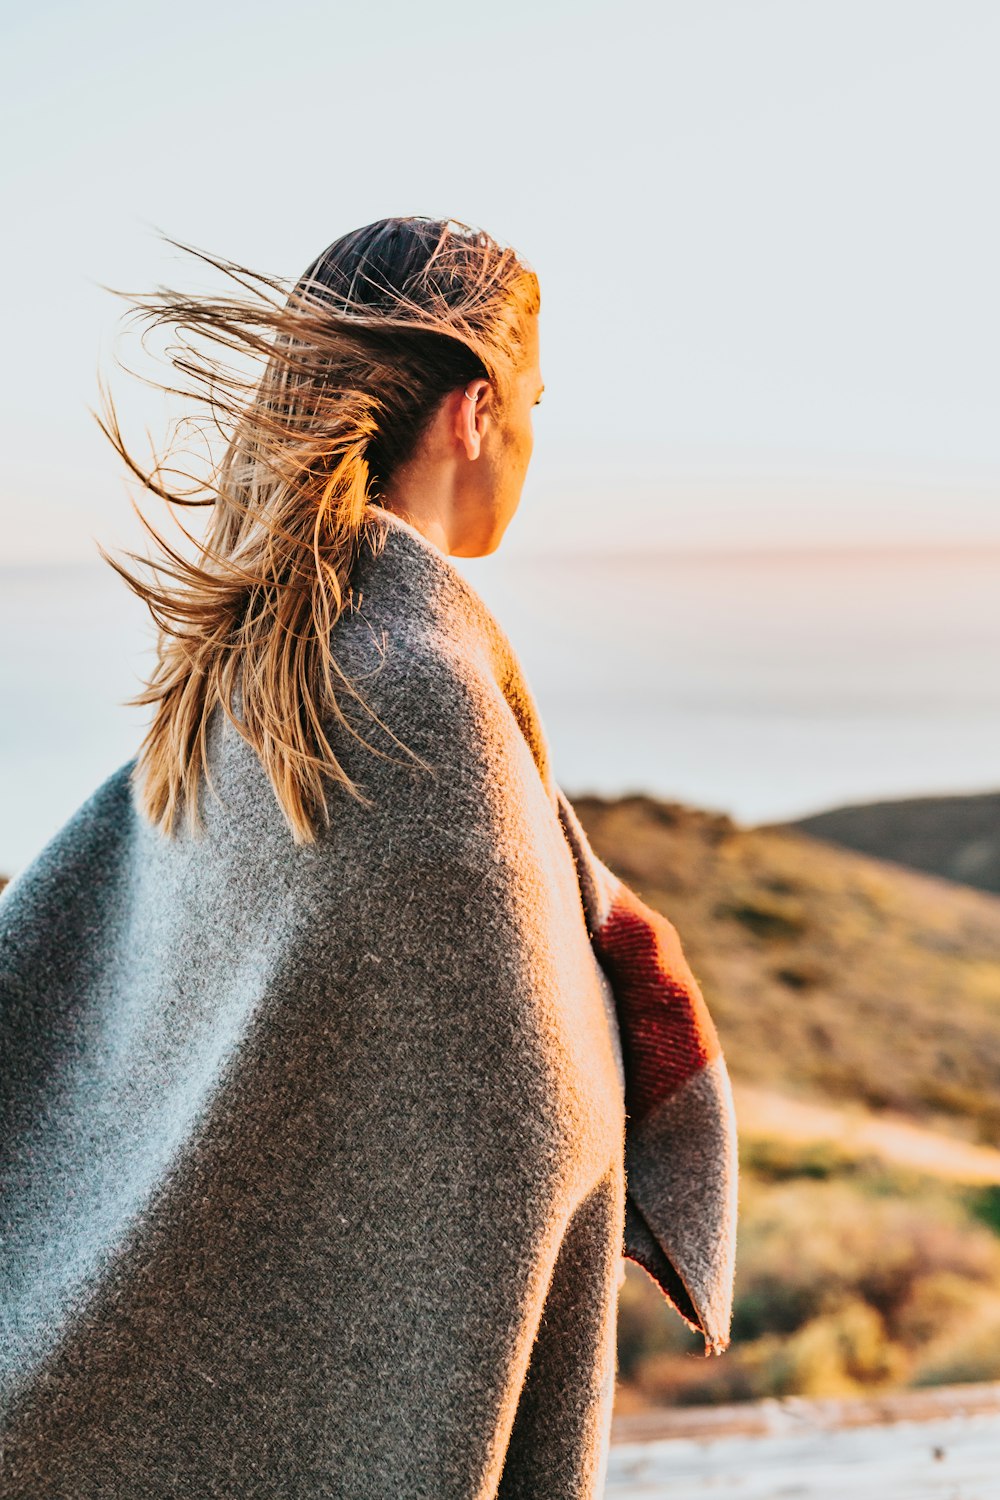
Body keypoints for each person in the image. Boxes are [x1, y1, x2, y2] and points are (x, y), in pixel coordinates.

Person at [0, 216, 738, 1498]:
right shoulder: (412, 694)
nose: (531, 442)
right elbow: (520, 1126)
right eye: (535, 404)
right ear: (472, 411)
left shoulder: (248, 672)